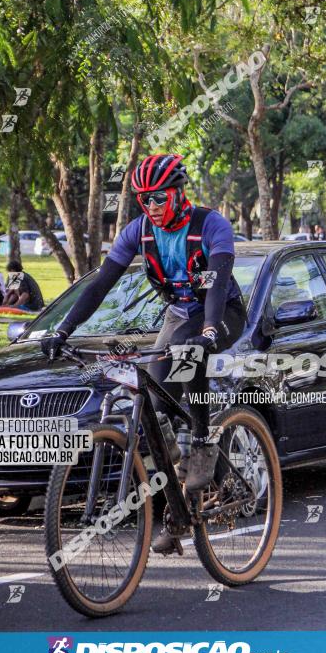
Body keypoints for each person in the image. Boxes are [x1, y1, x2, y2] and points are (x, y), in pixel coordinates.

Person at [41, 154, 246, 554]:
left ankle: (204, 443)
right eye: (143, 199)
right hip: (178, 314)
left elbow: (218, 282)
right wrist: (64, 328)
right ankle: (179, 510)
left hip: (221, 313)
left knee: (190, 353)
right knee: (154, 405)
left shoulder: (211, 224)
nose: (150, 206)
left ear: (178, 192)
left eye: (158, 197)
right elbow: (101, 284)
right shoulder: (137, 232)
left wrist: (208, 330)